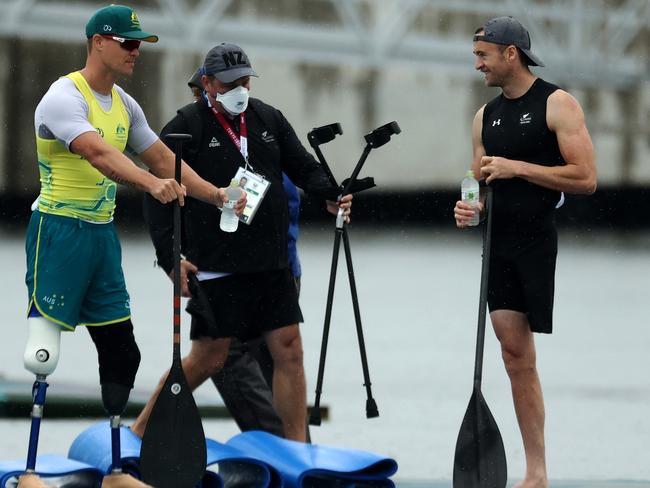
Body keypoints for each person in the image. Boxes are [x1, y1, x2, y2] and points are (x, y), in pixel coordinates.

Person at [22, 5, 242, 488]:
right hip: (58, 232)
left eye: (139, 43)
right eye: (127, 42)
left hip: (102, 236)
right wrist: (150, 185)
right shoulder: (63, 97)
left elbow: (163, 158)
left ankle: (117, 470)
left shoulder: (125, 103)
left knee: (123, 352)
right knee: (43, 352)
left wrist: (217, 195)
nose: (135, 51)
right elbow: (100, 155)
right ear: (98, 41)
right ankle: (32, 471)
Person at [131, 42, 351, 443]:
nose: (240, 89)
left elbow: (303, 167)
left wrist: (332, 192)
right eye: (231, 82)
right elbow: (156, 195)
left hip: (270, 263)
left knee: (290, 351)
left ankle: (297, 448)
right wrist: (169, 258)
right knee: (207, 359)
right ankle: (140, 431)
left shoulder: (268, 118)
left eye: (245, 80)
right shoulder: (186, 126)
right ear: (208, 83)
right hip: (216, 264)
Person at [454, 16, 596, 488]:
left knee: (526, 358)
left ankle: (538, 470)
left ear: (510, 53)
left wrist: (518, 167)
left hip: (537, 239)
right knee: (512, 353)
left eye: (483, 56)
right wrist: (468, 210)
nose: (477, 65)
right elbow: (476, 183)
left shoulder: (558, 103)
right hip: (497, 242)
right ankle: (532, 473)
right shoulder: (484, 116)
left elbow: (586, 178)